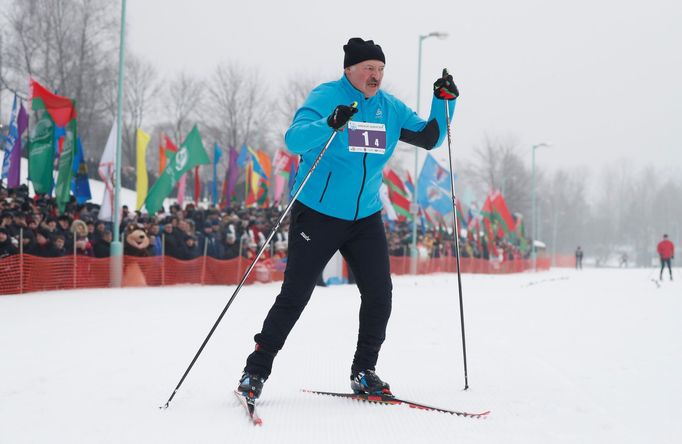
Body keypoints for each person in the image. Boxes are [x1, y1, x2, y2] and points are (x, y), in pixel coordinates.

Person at [237, 37, 457, 402]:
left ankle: (363, 371)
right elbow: (293, 141)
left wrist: (444, 101)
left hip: (365, 216)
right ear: (349, 70)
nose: (376, 76)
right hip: (318, 213)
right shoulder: (326, 95)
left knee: (379, 293)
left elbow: (431, 137)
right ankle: (254, 372)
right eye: (369, 68)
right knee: (295, 295)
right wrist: (330, 121)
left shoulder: (390, 108)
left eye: (381, 69)